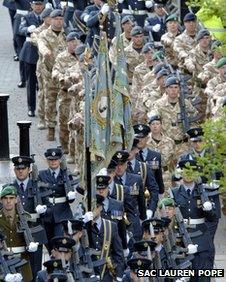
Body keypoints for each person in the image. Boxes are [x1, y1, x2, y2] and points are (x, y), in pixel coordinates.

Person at [172, 157, 216, 279]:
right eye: (186, 171)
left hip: (202, 237)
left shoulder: (204, 192)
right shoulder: (174, 193)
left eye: (191, 172)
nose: (188, 175)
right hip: (182, 237)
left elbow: (213, 218)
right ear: (181, 173)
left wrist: (208, 209)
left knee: (202, 276)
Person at [11, 156, 48, 278]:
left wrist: (43, 209)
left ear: (29, 170)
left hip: (35, 231)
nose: (20, 171)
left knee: (35, 268)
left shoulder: (38, 185)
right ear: (14, 170)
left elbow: (49, 206)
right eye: (18, 169)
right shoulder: (10, 189)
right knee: (19, 270)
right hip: (18, 233)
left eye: (23, 168)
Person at [38, 148, 76, 252]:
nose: (53, 162)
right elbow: (39, 193)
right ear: (47, 160)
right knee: (49, 244)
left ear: (59, 160)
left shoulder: (66, 174)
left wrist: (71, 196)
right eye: (50, 159)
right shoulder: (41, 175)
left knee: (60, 243)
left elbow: (70, 197)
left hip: (63, 214)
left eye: (55, 159)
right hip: (47, 214)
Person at [37, 9, 67, 141]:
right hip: (49, 73)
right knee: (50, 101)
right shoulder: (44, 34)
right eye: (56, 19)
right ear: (52, 20)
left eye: (61, 19)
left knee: (65, 102)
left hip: (64, 74)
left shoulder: (67, 34)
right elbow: (41, 45)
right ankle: (50, 127)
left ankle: (64, 130)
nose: (59, 21)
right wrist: (46, 52)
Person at [82, 194, 125, 281]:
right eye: (89, 208)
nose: (92, 211)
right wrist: (82, 223)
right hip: (87, 274)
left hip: (106, 273)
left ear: (100, 208)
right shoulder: (81, 226)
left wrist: (119, 276)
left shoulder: (111, 226)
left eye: (95, 207)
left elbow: (118, 253)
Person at [0, 185, 37, 282]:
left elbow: (34, 236)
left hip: (22, 261)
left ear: (16, 199)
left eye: (11, 198)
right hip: (3, 263)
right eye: (5, 198)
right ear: (1, 200)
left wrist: (33, 243)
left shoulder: (25, 217)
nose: (8, 201)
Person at [52, 31, 81, 153]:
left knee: (77, 124)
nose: (74, 45)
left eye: (76, 42)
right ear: (67, 43)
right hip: (66, 95)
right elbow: (55, 73)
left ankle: (74, 151)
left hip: (79, 97)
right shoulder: (61, 57)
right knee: (64, 123)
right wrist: (63, 79)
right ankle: (64, 148)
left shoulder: (84, 56)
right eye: (72, 43)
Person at [19, 0, 45, 117]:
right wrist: (28, 29)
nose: (38, 7)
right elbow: (21, 29)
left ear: (43, 5)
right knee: (31, 82)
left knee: (44, 83)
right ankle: (31, 108)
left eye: (40, 4)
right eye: (36, 4)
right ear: (32, 5)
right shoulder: (27, 16)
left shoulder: (47, 15)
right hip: (31, 53)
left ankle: (43, 108)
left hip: (45, 53)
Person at [134, 124, 165, 195]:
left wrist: (160, 192)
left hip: (151, 194)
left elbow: (158, 177)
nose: (140, 140)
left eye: (142, 137)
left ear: (147, 138)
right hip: (135, 194)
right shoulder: (130, 156)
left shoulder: (155, 156)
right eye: (137, 137)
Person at [147, 114, 175, 191]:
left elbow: (173, 161)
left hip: (165, 175)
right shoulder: (145, 142)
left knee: (166, 200)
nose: (155, 126)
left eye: (157, 124)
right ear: (149, 126)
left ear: (161, 125)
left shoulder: (169, 142)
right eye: (152, 124)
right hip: (149, 175)